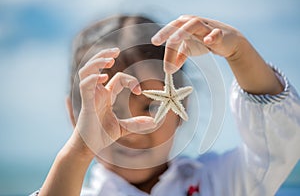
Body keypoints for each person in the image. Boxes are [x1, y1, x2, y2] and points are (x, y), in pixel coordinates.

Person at [31, 15, 300, 196]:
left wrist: (239, 53)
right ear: (74, 115)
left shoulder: (219, 182)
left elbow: (278, 145)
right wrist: (78, 153)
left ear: (180, 107)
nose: (133, 131)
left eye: (150, 106)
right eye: (111, 111)